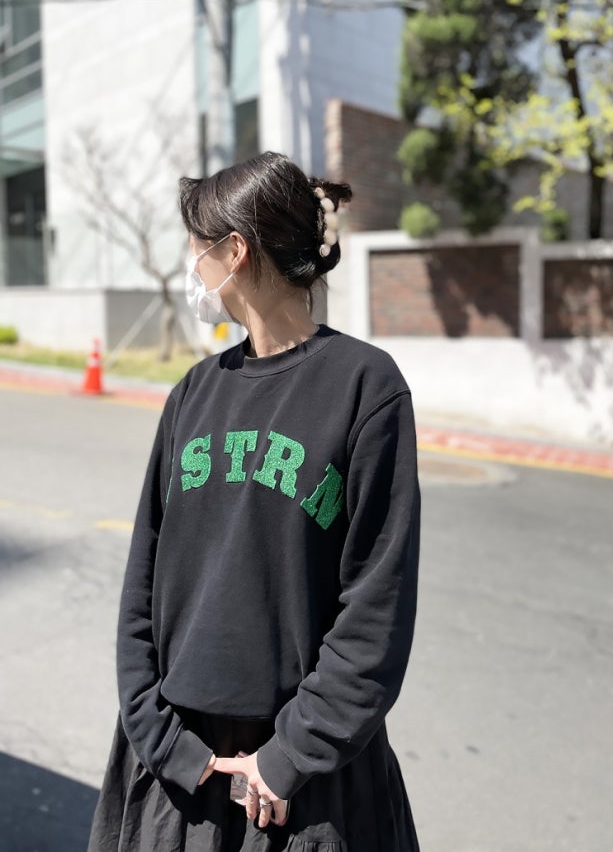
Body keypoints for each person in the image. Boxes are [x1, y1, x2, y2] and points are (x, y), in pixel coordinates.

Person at [87, 151, 421, 852]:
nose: (193, 267)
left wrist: (289, 755)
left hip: (304, 789)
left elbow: (377, 606)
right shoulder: (193, 392)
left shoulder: (366, 387)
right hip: (177, 774)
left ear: (234, 251)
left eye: (197, 248)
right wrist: (162, 740)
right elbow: (142, 582)